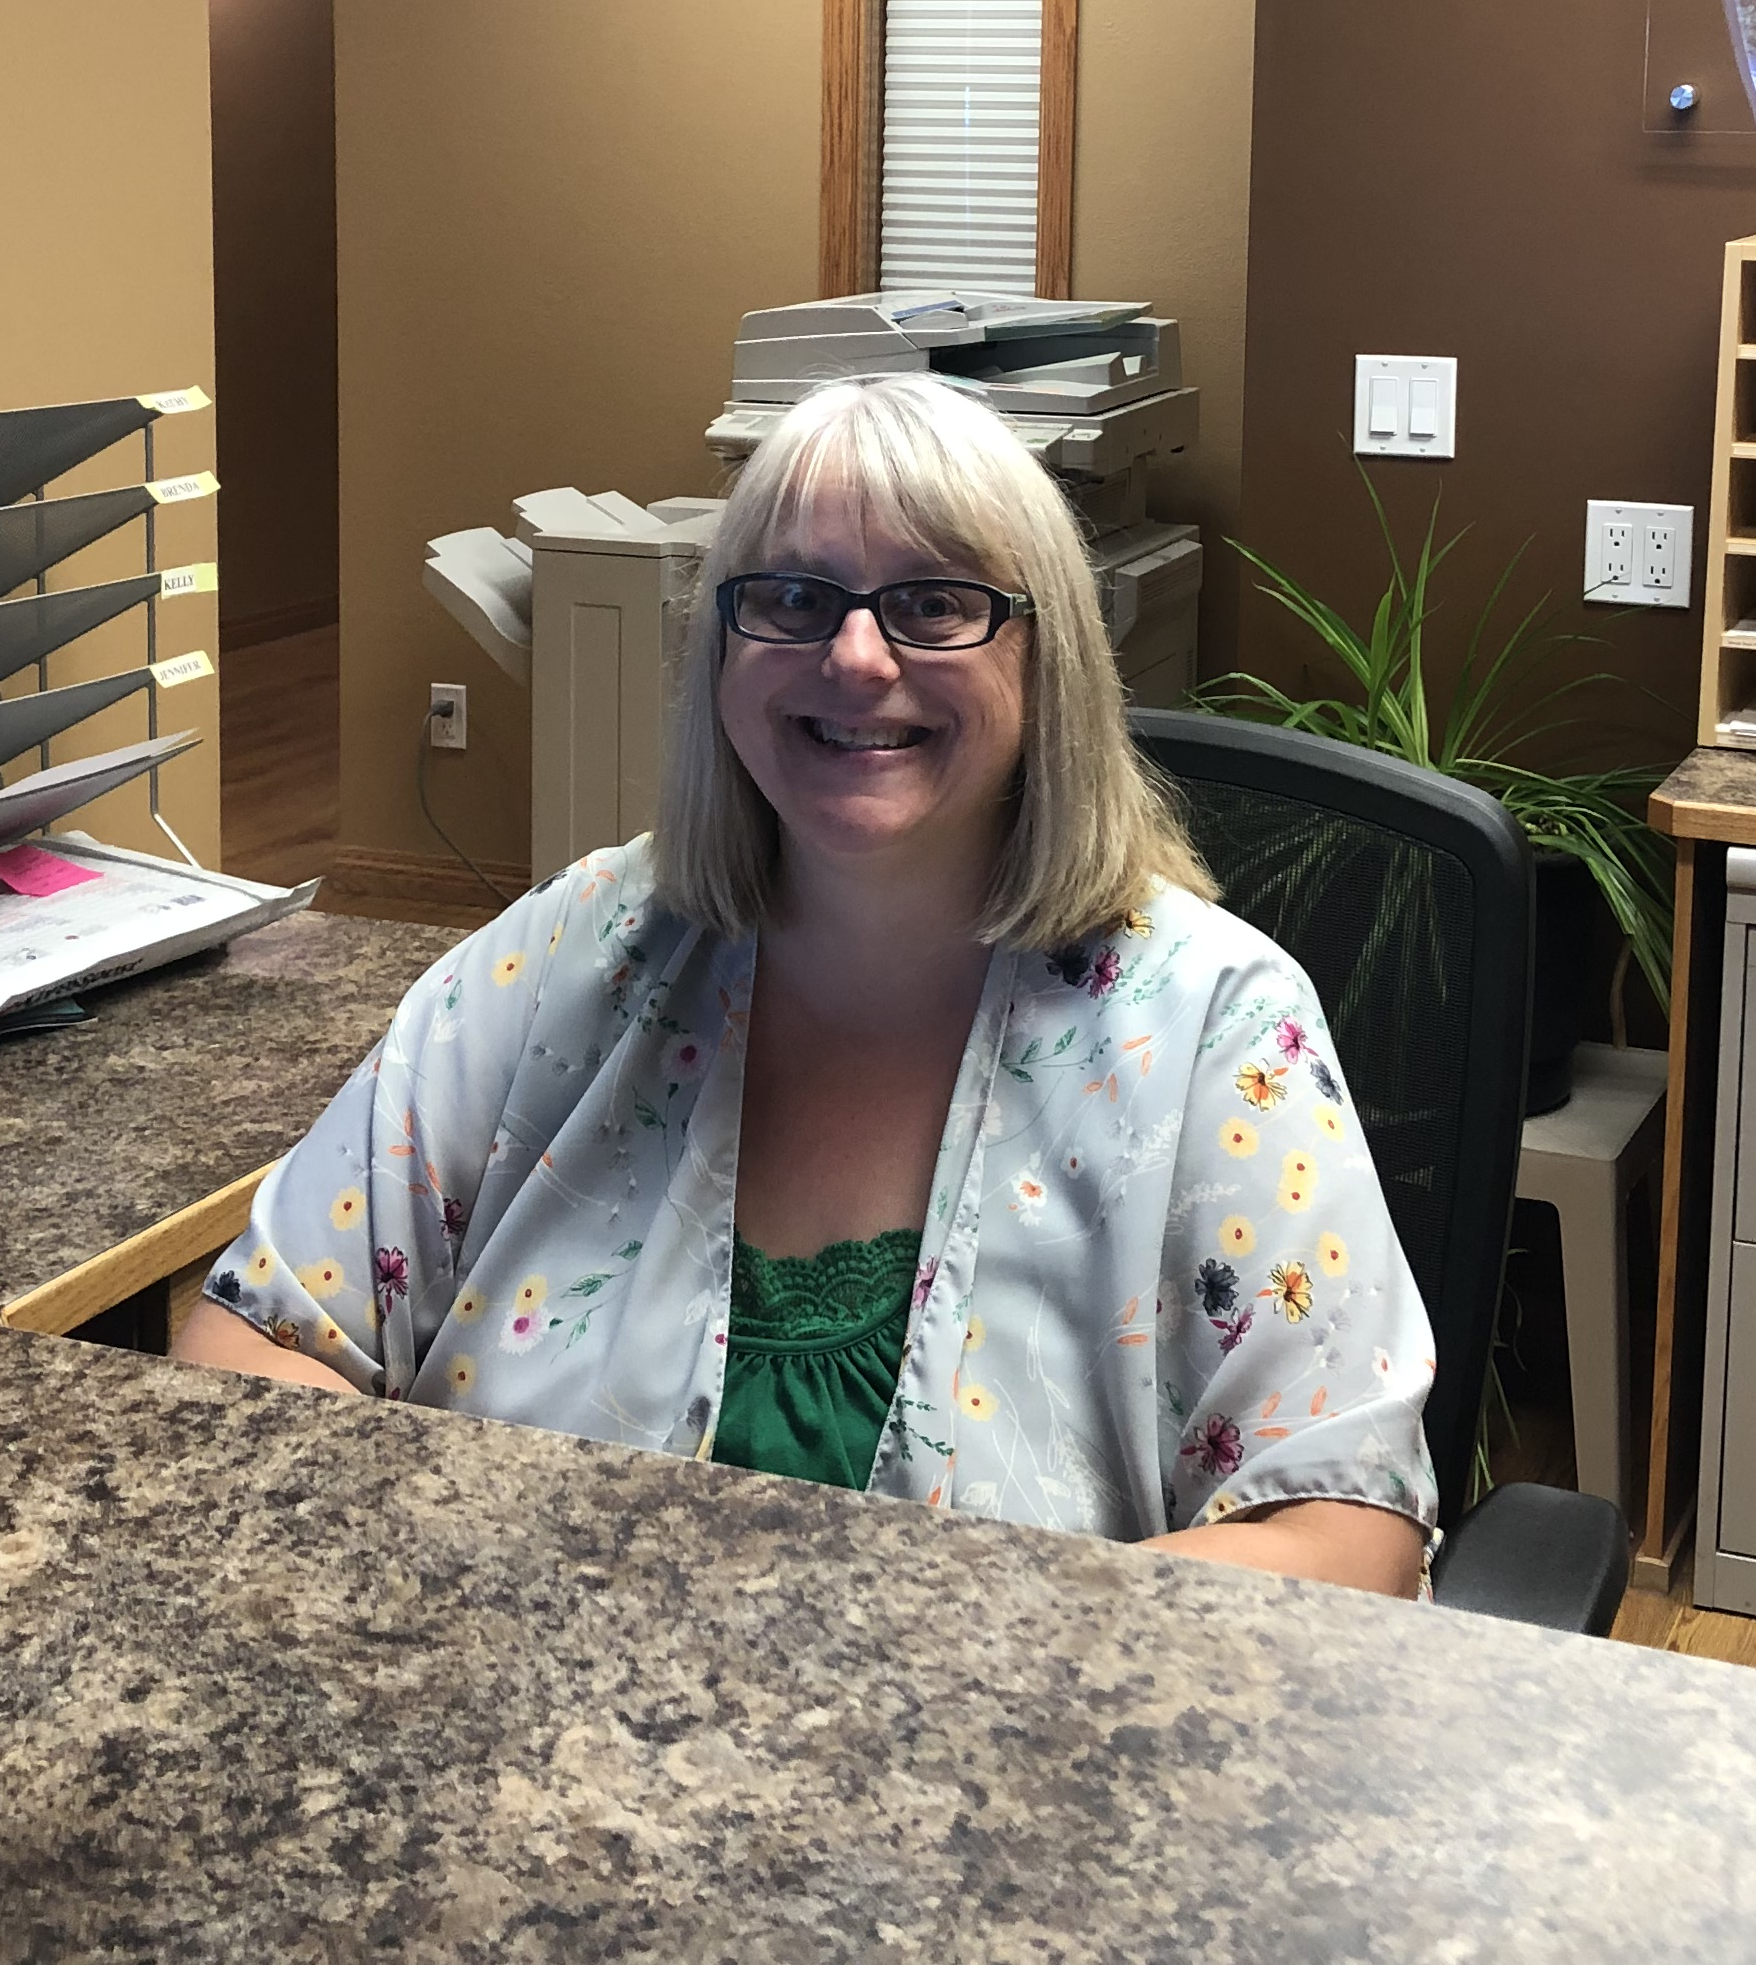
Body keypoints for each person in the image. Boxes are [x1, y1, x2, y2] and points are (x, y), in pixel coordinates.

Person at [176, 373, 1436, 1598]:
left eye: (934, 603)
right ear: (721, 649)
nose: (856, 656)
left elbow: (1340, 1537)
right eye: (790, 597)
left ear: (1044, 658)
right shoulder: (576, 949)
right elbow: (260, 1330)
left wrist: (889, 1664)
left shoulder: (1212, 1023)